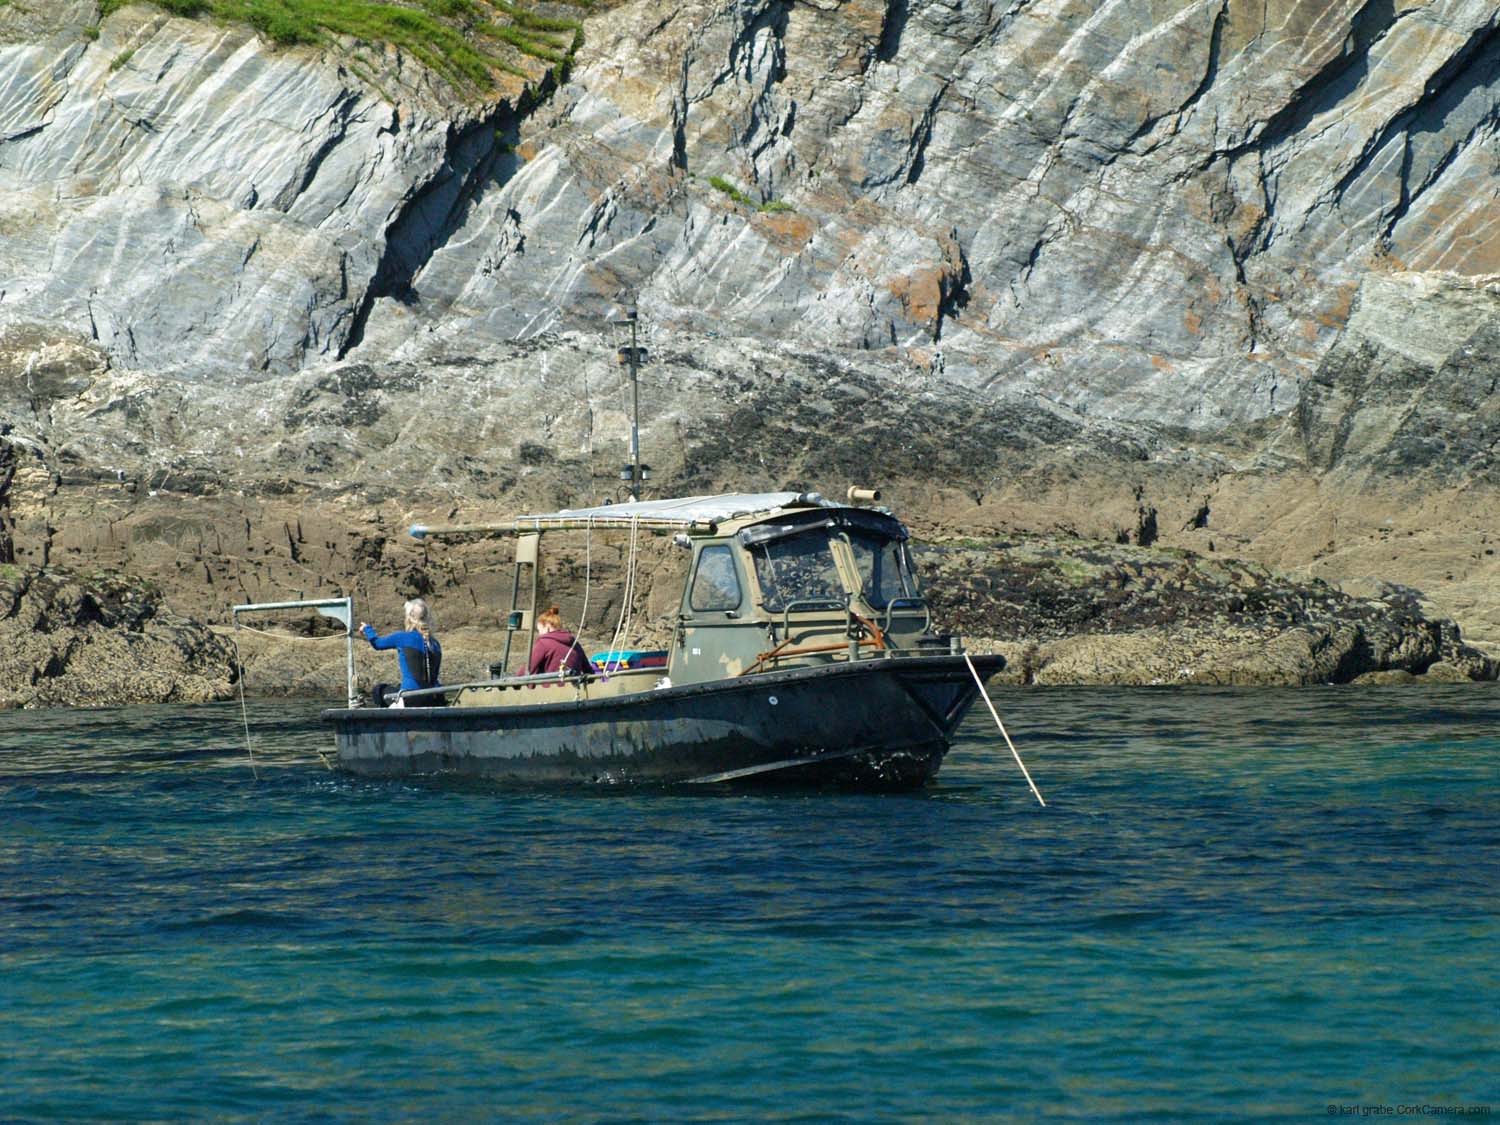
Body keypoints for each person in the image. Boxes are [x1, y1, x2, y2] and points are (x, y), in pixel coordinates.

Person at [360, 598, 443, 707]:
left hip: (411, 699)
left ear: (408, 617)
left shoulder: (402, 637)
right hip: (434, 698)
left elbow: (378, 644)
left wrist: (367, 629)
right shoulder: (435, 644)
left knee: (378, 690)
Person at [526, 606, 593, 677]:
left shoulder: (543, 642)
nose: (539, 634)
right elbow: (588, 670)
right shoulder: (574, 643)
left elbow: (529, 667)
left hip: (551, 686)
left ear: (547, 627)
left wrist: (515, 681)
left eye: (539, 630)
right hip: (573, 685)